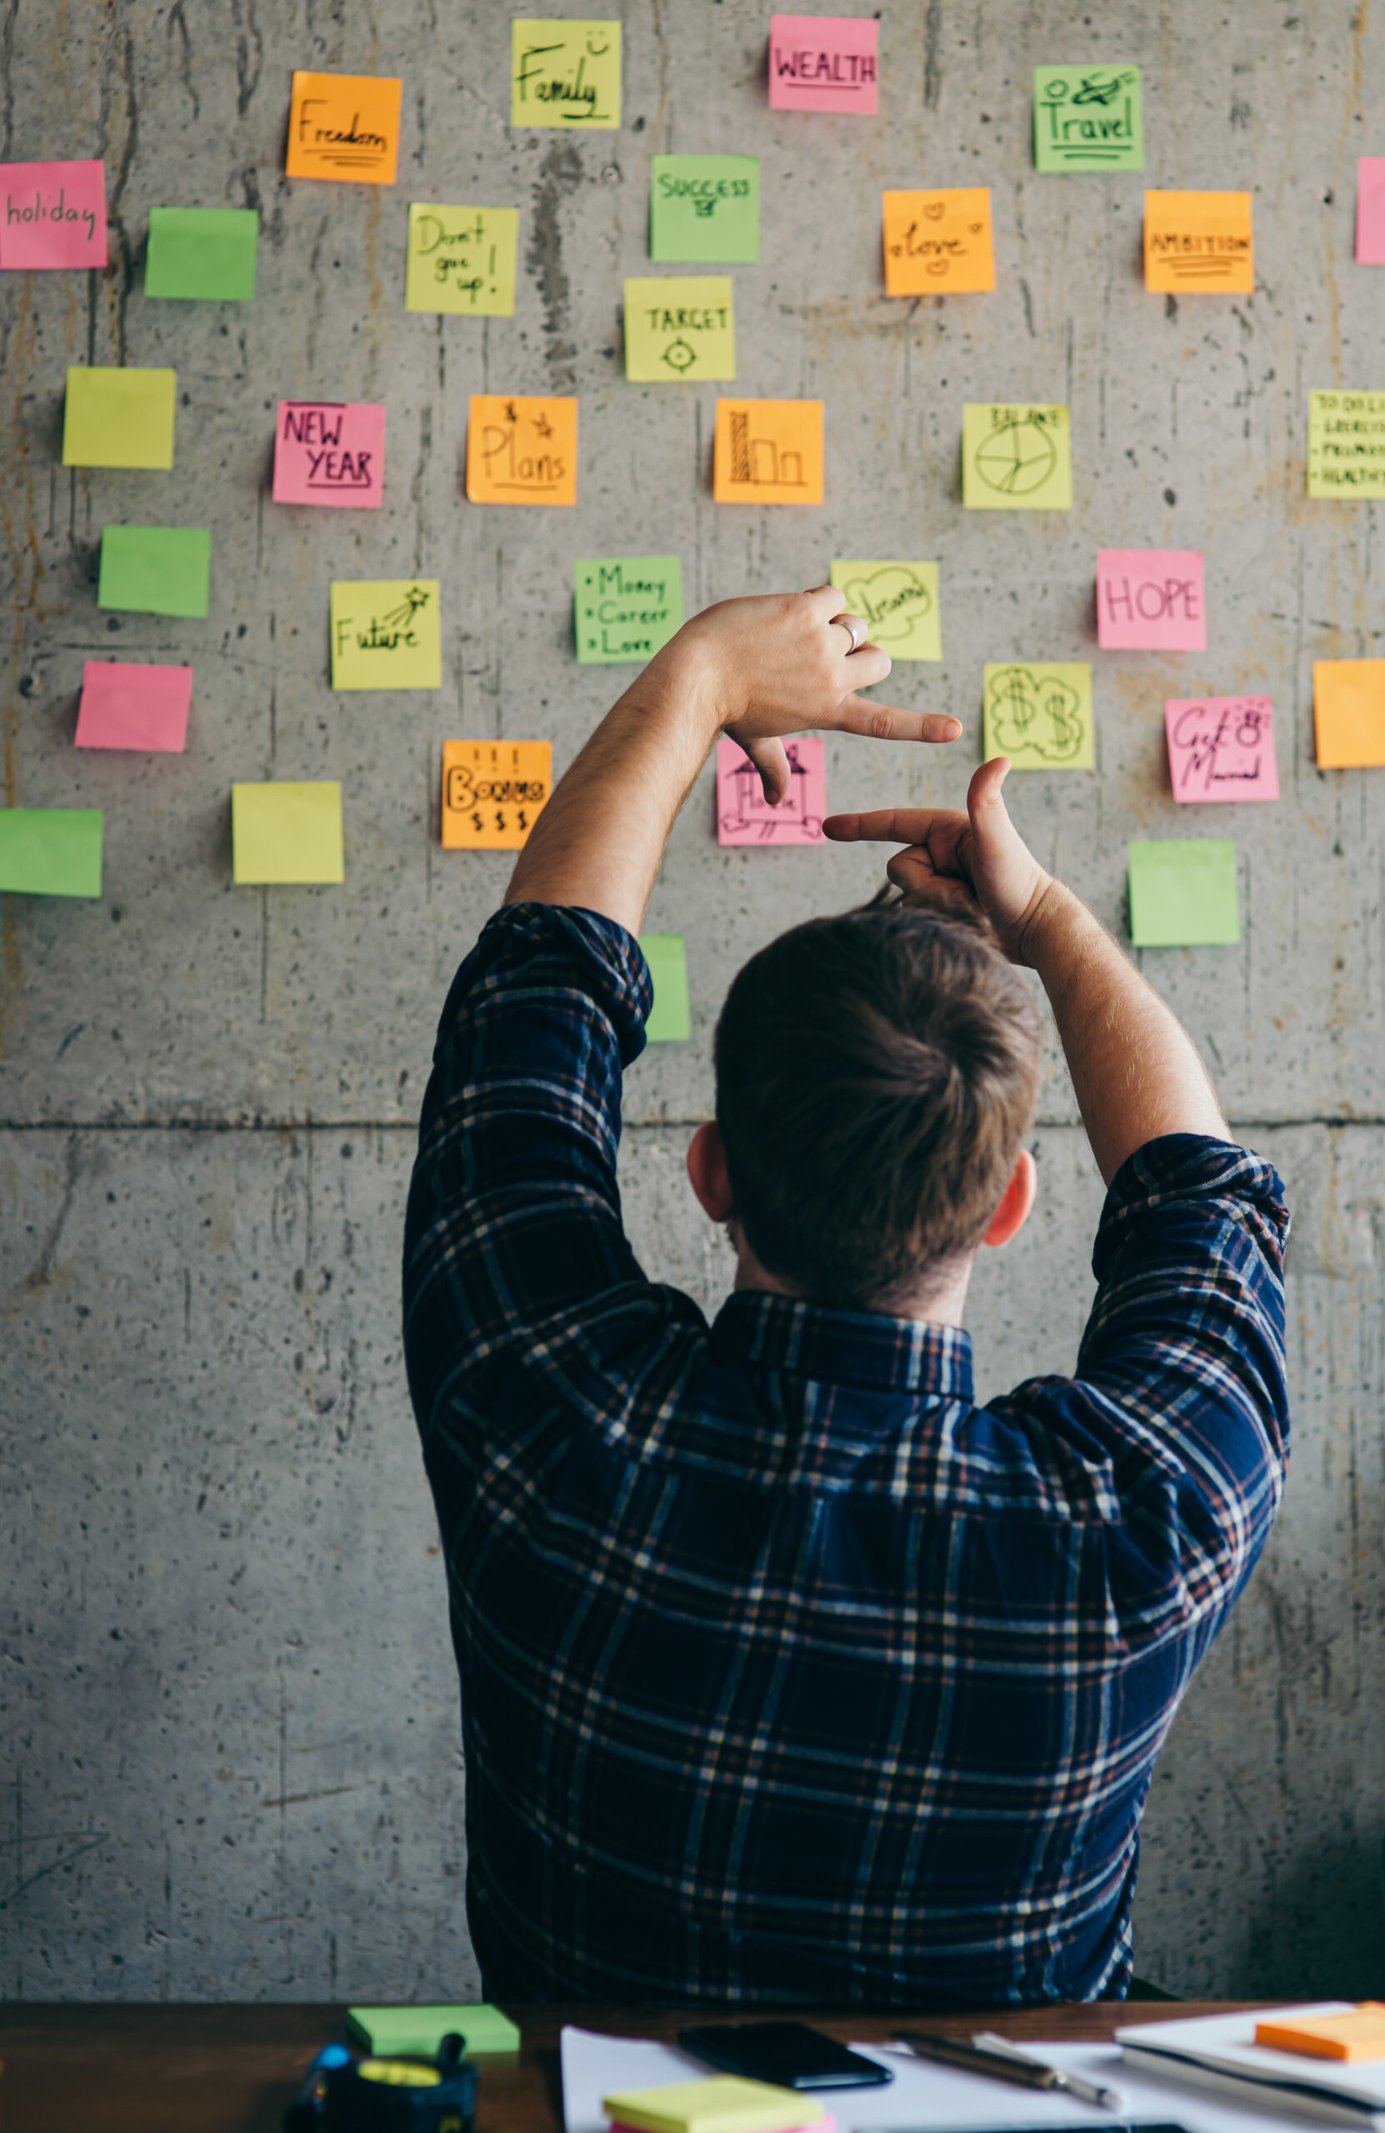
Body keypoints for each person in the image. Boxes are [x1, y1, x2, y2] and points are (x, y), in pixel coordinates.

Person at [403, 586, 1290, 2005]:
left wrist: (695, 678)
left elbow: (530, 1011)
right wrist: (1047, 920)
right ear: (1007, 1206)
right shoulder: (1136, 1529)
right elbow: (1201, 1194)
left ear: (709, 1173)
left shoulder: (545, 1416)